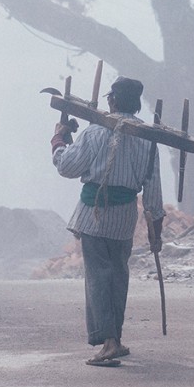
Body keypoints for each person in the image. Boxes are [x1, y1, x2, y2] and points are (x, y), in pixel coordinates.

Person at [51, 76, 165, 366]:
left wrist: (59, 139)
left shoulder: (95, 132)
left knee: (99, 278)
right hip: (124, 218)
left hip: (94, 216)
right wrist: (156, 232)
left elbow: (66, 166)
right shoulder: (148, 140)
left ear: (113, 100)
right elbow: (153, 192)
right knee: (117, 276)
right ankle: (116, 338)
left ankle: (109, 342)